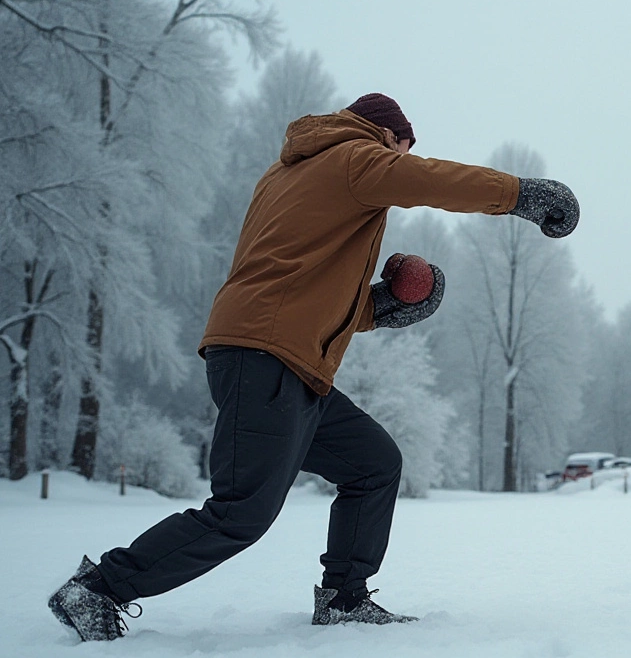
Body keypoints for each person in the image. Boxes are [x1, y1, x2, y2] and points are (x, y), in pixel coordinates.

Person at [47, 94, 579, 641]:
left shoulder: (286, 176)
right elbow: (429, 180)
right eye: (404, 146)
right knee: (240, 514)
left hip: (282, 358)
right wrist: (522, 195)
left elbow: (298, 286)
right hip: (267, 359)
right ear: (387, 136)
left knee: (374, 464)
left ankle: (344, 599)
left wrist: (381, 308)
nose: (404, 157)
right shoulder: (355, 158)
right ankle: (98, 589)